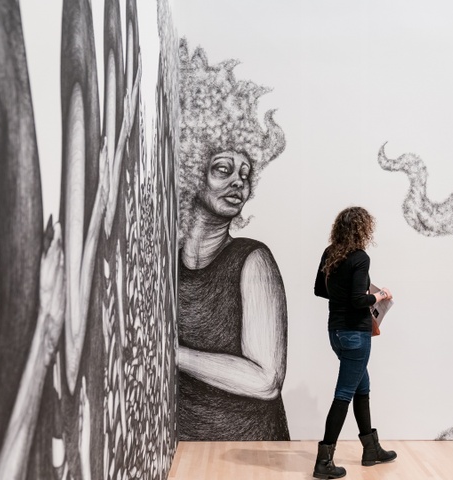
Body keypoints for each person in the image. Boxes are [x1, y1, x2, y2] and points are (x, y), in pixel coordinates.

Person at [176, 40, 290, 441]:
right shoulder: (162, 264)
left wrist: (172, 354)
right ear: (192, 172)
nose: (237, 182)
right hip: (184, 446)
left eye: (245, 174)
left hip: (253, 449)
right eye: (223, 169)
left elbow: (265, 380)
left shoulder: (251, 260)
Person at [312, 206, 397, 479]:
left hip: (335, 332)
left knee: (362, 388)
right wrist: (380, 295)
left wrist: (343, 294)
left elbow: (318, 289)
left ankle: (371, 450)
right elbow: (359, 301)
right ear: (363, 229)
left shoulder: (330, 253)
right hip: (356, 335)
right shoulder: (360, 258)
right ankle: (323, 463)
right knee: (344, 394)